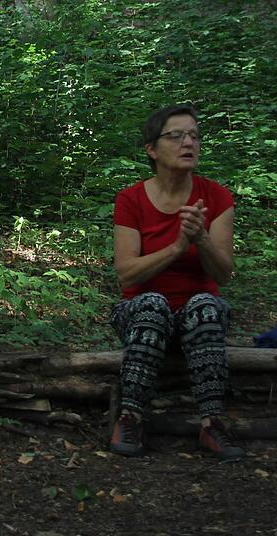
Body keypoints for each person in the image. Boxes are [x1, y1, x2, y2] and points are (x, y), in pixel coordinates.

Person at [109, 104, 243, 459]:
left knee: (206, 305)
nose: (189, 143)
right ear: (152, 149)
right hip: (140, 313)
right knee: (152, 304)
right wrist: (177, 247)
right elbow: (126, 272)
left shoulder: (216, 197)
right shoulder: (130, 199)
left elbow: (223, 275)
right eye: (177, 136)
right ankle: (130, 418)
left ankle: (212, 424)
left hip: (198, 317)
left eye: (194, 136)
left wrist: (201, 240)